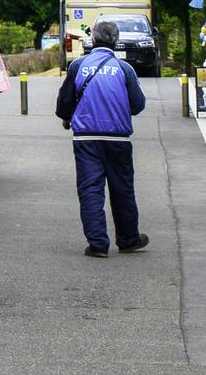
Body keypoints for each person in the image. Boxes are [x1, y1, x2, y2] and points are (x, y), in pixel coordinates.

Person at [53, 17, 149, 258]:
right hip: (118, 139)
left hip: (85, 138)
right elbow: (138, 105)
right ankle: (128, 239)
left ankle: (97, 244)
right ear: (116, 41)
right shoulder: (125, 69)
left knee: (90, 189)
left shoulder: (78, 65)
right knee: (123, 189)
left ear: (93, 39)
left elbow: (64, 102)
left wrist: (67, 118)